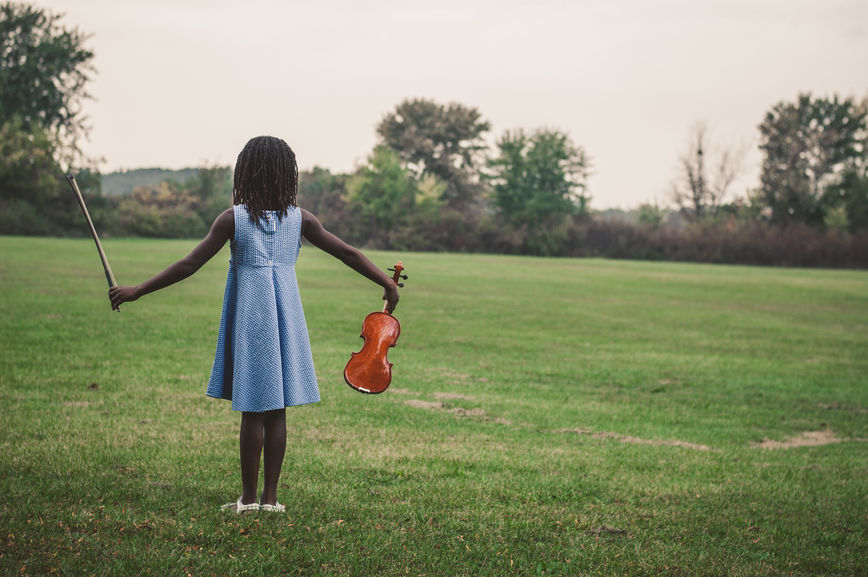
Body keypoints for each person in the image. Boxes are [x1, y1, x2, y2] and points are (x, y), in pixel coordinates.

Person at [108, 136, 400, 513]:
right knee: (276, 409)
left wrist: (137, 291)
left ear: (245, 173)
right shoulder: (300, 219)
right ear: (287, 176)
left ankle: (248, 499)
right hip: (285, 317)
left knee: (253, 409)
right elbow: (348, 252)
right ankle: (270, 500)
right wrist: (386, 281)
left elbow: (188, 265)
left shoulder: (233, 218)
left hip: (251, 317)